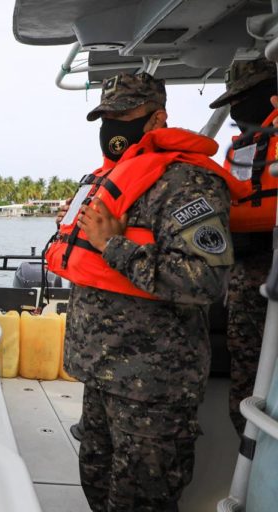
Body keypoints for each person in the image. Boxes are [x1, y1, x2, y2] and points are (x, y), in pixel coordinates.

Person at [46, 72, 237, 510]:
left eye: (124, 115)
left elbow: (206, 281)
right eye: (106, 117)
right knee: (96, 485)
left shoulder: (187, 183)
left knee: (140, 501)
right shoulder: (110, 178)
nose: (113, 126)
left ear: (157, 119)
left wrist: (113, 245)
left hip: (152, 385)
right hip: (101, 373)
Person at [209, 57, 278, 435]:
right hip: (244, 281)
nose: (236, 109)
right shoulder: (239, 149)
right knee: (246, 387)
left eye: (244, 98)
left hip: (272, 271)